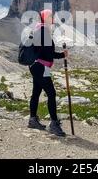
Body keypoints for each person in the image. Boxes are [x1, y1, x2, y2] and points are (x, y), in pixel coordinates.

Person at [28, 9, 68, 137]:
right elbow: (49, 53)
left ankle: (33, 120)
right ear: (44, 17)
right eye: (50, 16)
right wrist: (63, 54)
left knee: (36, 92)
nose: (52, 18)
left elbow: (44, 52)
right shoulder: (43, 31)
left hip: (35, 65)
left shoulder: (39, 30)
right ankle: (54, 124)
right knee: (51, 93)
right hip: (41, 67)